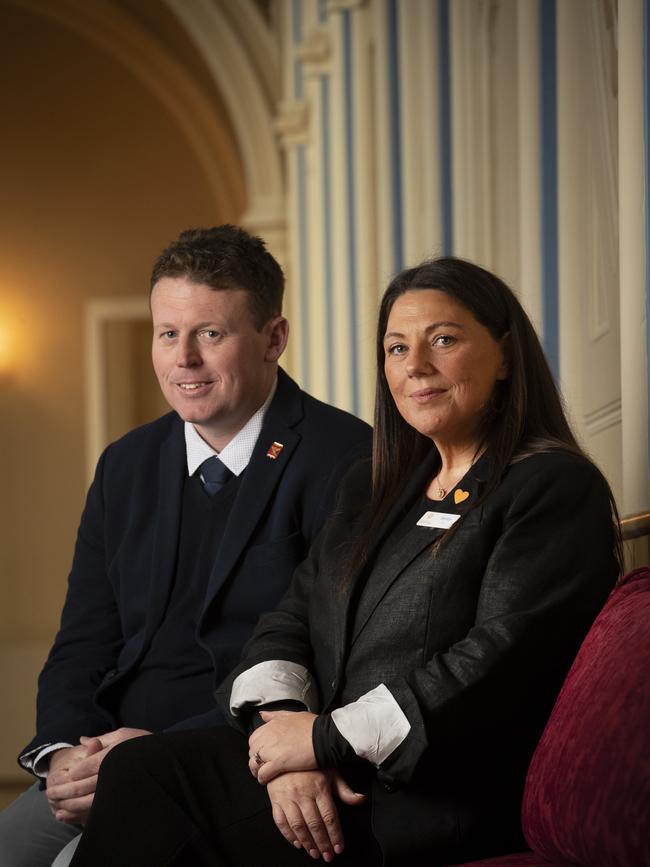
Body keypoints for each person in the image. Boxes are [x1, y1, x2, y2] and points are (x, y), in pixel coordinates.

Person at [67, 257, 621, 867]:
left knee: (148, 786)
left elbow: (497, 664)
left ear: (507, 355)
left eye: (443, 340)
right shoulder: (376, 488)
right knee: (139, 768)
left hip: (425, 793)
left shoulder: (551, 487)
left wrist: (323, 741)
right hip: (330, 762)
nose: (415, 366)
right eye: (396, 347)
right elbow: (289, 619)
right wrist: (282, 731)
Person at [0, 225, 371, 867]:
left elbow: (327, 658)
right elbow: (84, 636)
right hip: (99, 756)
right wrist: (62, 753)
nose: (184, 360)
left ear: (273, 339)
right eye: (167, 333)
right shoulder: (126, 465)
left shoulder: (347, 459)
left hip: (223, 751)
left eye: (210, 333)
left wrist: (145, 755)